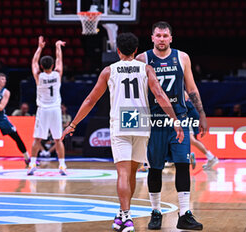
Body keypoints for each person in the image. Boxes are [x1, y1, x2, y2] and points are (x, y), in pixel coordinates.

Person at [62, 32, 183, 232]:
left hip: (121, 122)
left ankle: (126, 217)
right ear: (136, 51)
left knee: (123, 173)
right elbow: (160, 96)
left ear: (118, 50)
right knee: (132, 172)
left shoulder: (109, 71)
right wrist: (175, 121)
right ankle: (123, 212)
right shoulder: (146, 68)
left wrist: (73, 124)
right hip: (141, 123)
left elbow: (90, 100)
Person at [136, 21, 205, 231]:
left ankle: (184, 213)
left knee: (183, 165)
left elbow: (191, 88)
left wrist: (201, 113)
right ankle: (155, 212)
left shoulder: (182, 57)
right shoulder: (143, 59)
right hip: (154, 121)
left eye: (165, 36)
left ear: (171, 38)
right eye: (158, 35)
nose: (162, 39)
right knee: (154, 168)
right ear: (152, 38)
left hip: (181, 118)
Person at [28, 36, 66, 175]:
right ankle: (62, 165)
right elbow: (60, 60)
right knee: (57, 139)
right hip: (55, 110)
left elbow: (33, 62)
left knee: (37, 139)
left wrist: (39, 47)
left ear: (42, 66)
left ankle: (32, 164)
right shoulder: (58, 74)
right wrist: (58, 46)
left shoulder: (39, 76)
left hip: (43, 110)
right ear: (52, 66)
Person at [0, 73, 32, 167]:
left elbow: (1, 107)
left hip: (2, 118)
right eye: (2, 79)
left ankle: (27, 158)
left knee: (16, 137)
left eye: (5, 80)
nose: (4, 81)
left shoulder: (6, 92)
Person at [186, 92, 218, 170]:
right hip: (190, 114)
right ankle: (188, 155)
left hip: (189, 115)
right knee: (188, 138)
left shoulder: (179, 90)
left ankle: (211, 157)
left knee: (191, 139)